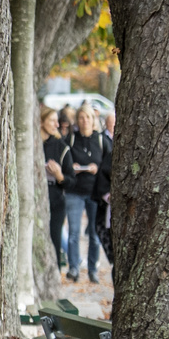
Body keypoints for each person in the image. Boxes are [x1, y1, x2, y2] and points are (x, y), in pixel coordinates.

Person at [64, 105, 109, 283]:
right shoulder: (71, 139)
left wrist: (97, 169)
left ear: (93, 119)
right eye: (81, 118)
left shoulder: (101, 140)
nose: (85, 121)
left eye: (88, 118)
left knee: (94, 234)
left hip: (94, 192)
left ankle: (92, 269)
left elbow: (109, 164)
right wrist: (71, 167)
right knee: (74, 232)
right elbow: (63, 160)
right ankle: (74, 267)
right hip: (74, 191)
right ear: (77, 120)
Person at [41, 107, 73, 268]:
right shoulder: (32, 145)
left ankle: (55, 275)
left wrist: (59, 176)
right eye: (52, 120)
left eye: (57, 120)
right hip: (36, 199)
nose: (56, 124)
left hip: (56, 200)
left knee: (55, 240)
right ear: (41, 122)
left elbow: (71, 180)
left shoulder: (61, 146)